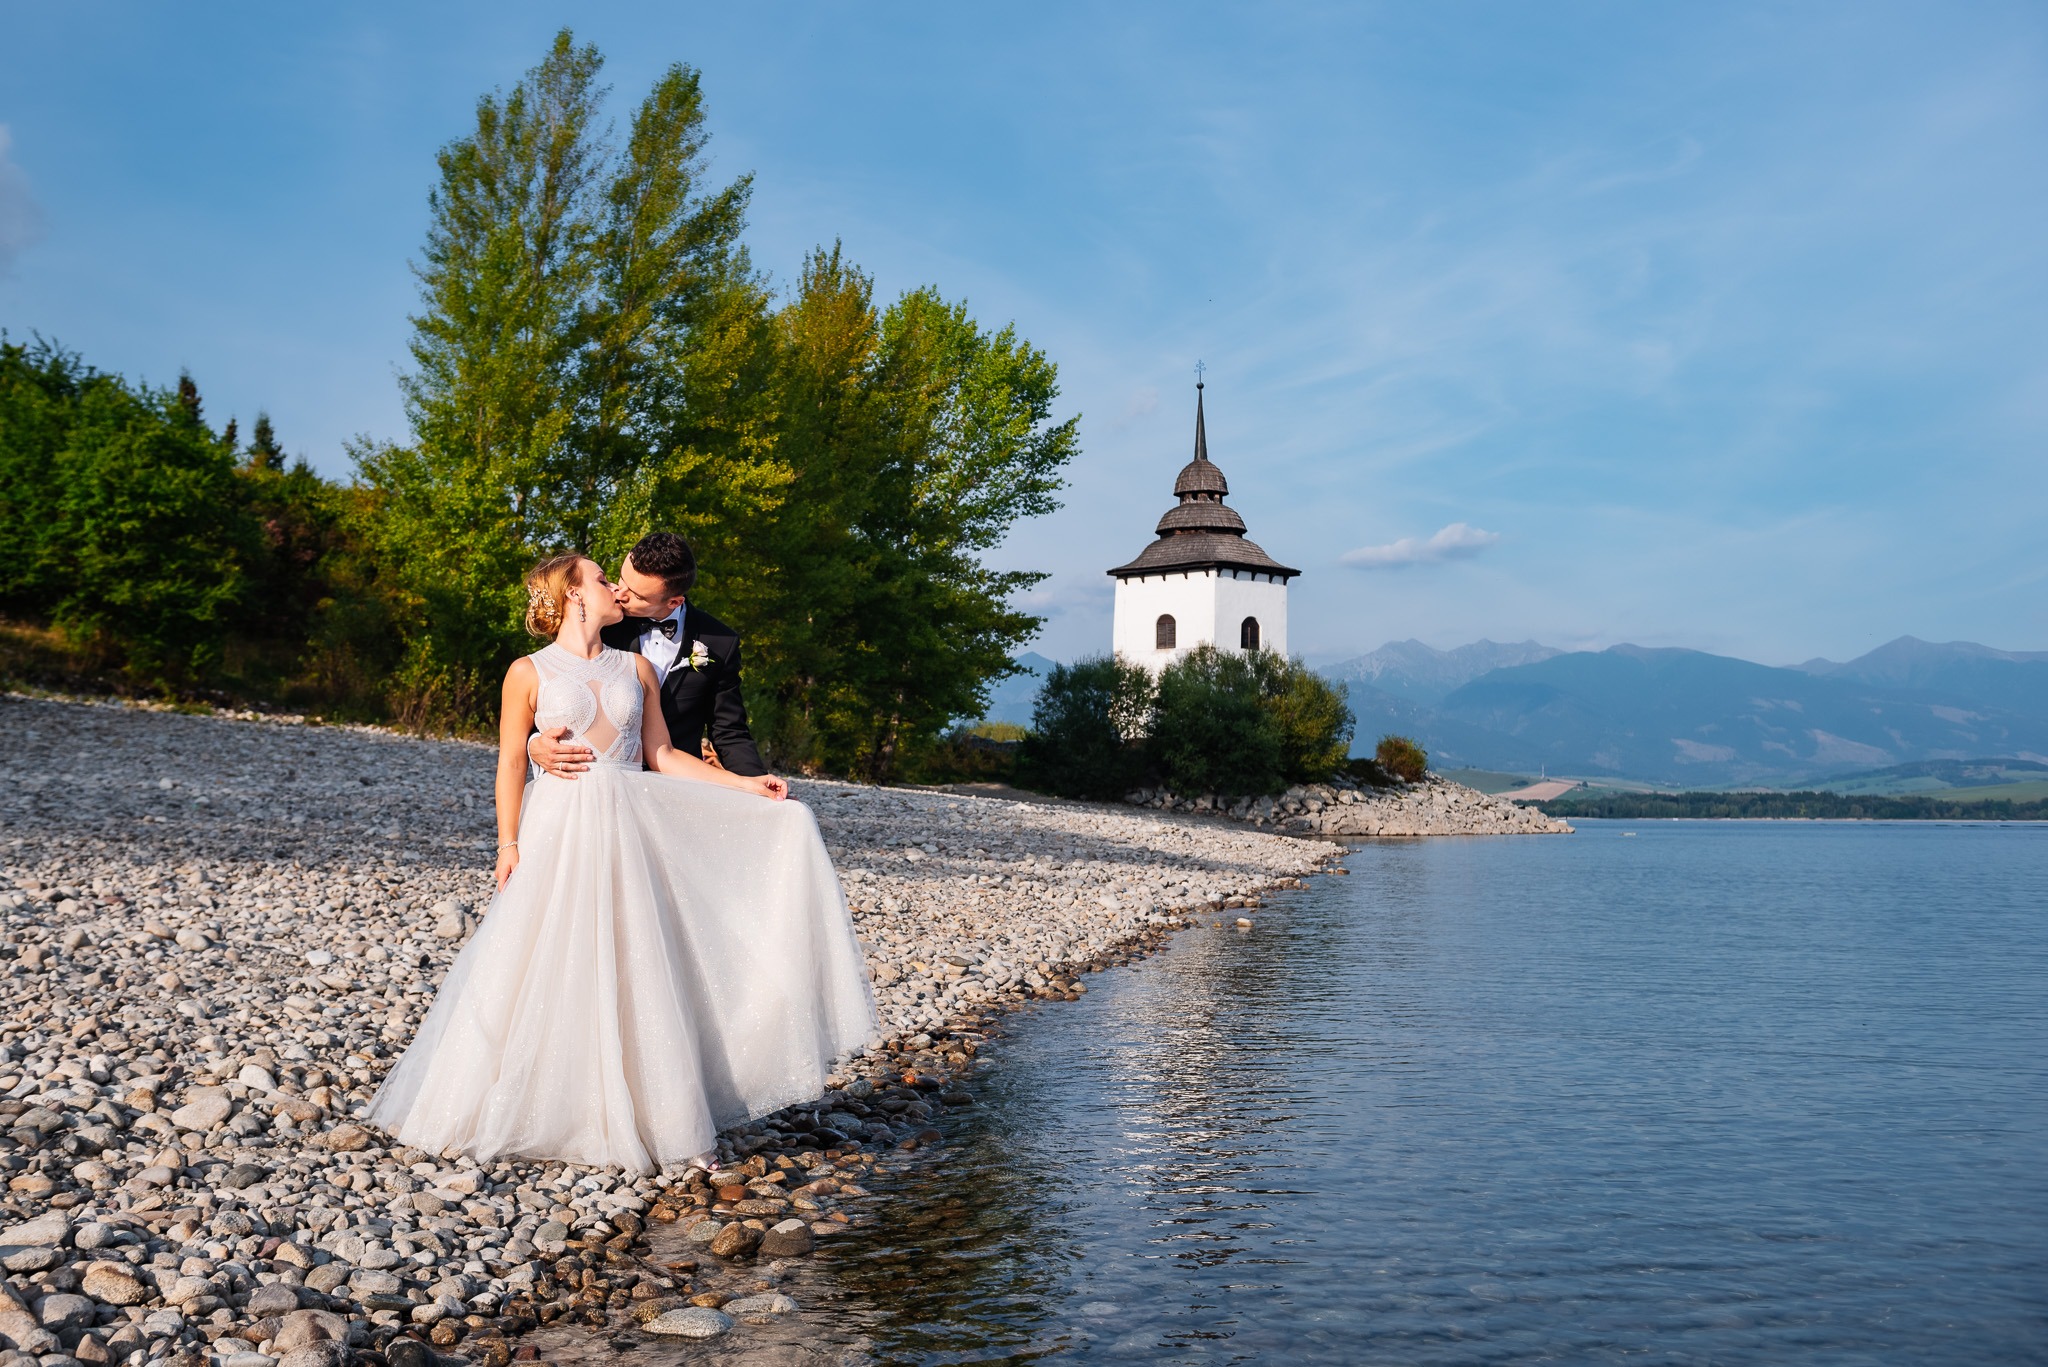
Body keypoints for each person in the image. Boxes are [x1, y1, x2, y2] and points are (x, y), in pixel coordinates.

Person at [368, 553, 875, 1172]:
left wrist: (747, 787)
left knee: (640, 961)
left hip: (629, 826)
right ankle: (531, 1103)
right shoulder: (525, 673)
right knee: (546, 960)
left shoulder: (635, 668)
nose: (616, 588)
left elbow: (660, 754)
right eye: (603, 579)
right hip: (558, 828)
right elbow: (508, 763)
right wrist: (508, 844)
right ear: (574, 595)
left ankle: (668, 1123)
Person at [530, 532, 762, 780]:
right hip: (600, 782)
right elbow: (553, 689)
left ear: (674, 601)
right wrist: (534, 743)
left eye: (636, 595)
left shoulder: (719, 642)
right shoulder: (601, 621)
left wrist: (758, 784)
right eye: (621, 578)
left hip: (678, 786)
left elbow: (729, 731)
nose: (619, 593)